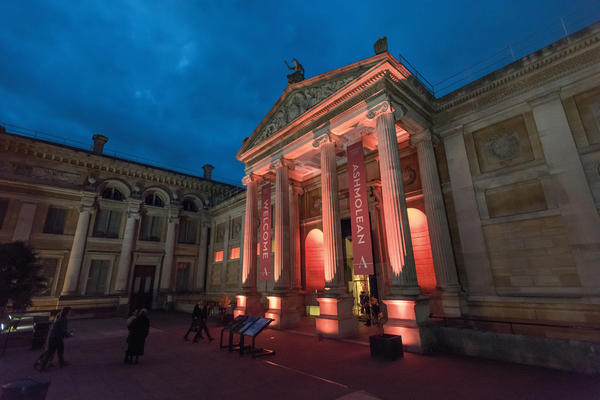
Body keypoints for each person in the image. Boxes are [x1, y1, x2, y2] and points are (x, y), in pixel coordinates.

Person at [35, 307, 72, 371]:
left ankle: (61, 362)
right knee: (50, 352)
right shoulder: (63, 319)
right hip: (55, 338)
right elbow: (63, 330)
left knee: (60, 350)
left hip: (56, 337)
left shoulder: (61, 318)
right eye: (69, 311)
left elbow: (62, 330)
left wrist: (67, 333)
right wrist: (69, 334)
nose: (70, 312)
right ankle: (42, 367)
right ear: (66, 312)